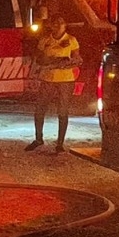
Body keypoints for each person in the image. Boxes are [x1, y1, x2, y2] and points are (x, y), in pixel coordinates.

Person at [25, 8, 81, 153]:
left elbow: (77, 59)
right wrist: (55, 60)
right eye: (54, 24)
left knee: (62, 111)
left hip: (65, 79)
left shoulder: (71, 40)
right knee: (40, 109)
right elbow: (39, 58)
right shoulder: (45, 40)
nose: (57, 26)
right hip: (47, 78)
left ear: (64, 25)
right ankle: (38, 139)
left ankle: (60, 144)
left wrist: (65, 62)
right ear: (50, 25)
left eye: (60, 23)